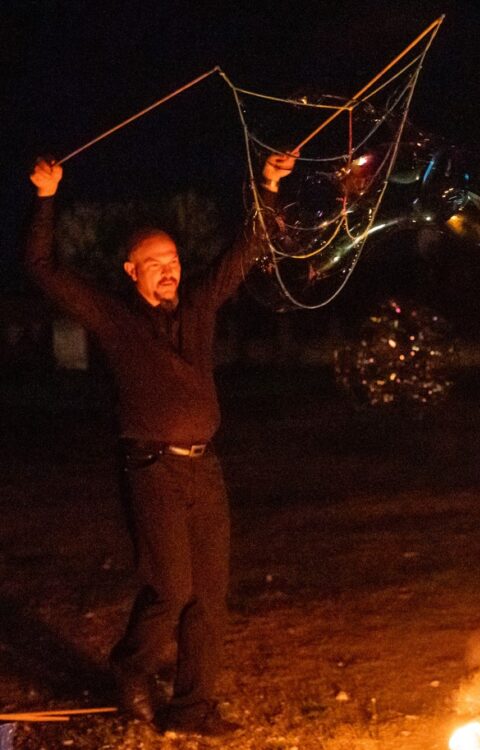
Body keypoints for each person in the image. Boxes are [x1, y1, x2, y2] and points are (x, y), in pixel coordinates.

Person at [26, 151, 297, 736]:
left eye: (173, 259)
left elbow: (244, 253)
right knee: (171, 589)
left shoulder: (197, 307)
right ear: (131, 271)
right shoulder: (112, 319)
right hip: (151, 468)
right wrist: (48, 198)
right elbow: (44, 268)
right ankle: (130, 665)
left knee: (210, 598)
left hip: (205, 469)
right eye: (155, 263)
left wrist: (268, 186)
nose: (169, 269)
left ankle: (193, 707)